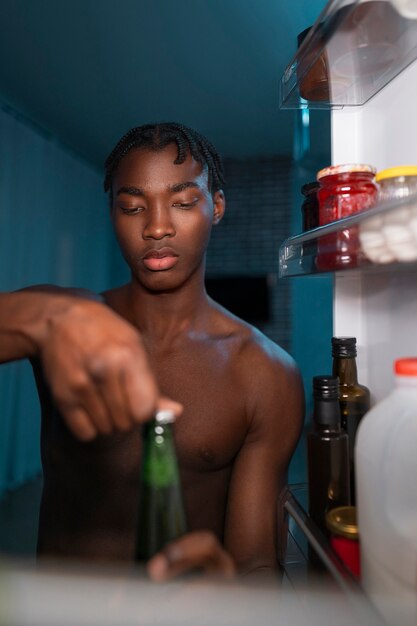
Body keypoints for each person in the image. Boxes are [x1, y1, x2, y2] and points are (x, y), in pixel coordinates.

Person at [0, 123, 304, 581]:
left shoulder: (265, 372)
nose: (157, 227)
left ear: (216, 207)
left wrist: (233, 597)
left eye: (182, 202)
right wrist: (42, 317)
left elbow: (255, 562)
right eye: (132, 206)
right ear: (112, 213)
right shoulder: (69, 322)